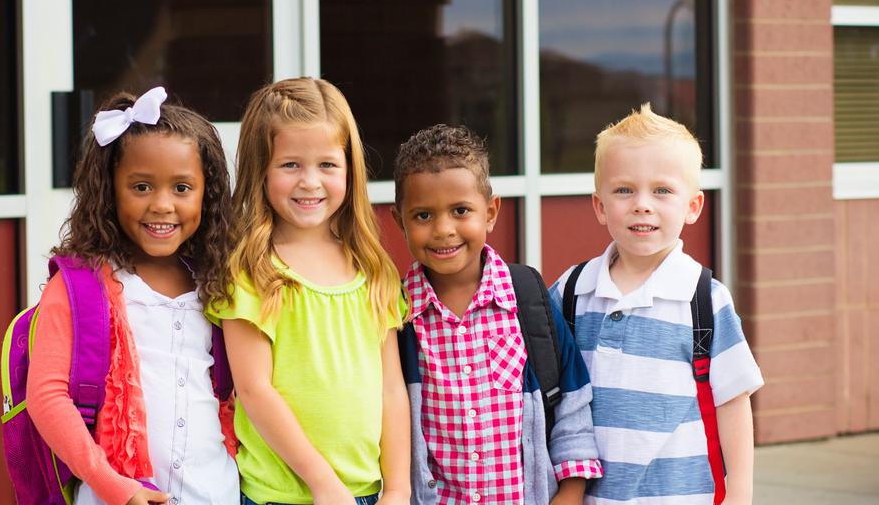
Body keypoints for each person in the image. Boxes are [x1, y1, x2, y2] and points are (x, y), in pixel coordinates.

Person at [27, 87, 240, 505]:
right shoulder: (79, 286)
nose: (162, 205)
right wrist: (114, 487)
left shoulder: (218, 282)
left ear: (207, 193)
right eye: (141, 187)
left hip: (215, 492)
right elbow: (47, 397)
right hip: (117, 495)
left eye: (182, 188)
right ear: (110, 190)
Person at [549, 103, 764, 504]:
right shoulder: (572, 291)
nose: (642, 204)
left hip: (681, 495)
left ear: (693, 206)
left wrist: (740, 494)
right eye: (624, 189)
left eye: (662, 190)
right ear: (599, 205)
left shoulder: (704, 299)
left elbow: (733, 403)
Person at [213, 77, 410, 505]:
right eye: (290, 165)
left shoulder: (372, 268)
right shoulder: (251, 270)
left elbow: (392, 388)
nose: (310, 182)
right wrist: (322, 483)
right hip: (283, 496)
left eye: (326, 165)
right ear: (259, 169)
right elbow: (254, 390)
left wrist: (398, 487)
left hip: (369, 495)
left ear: (348, 169)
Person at [391, 125, 602, 505]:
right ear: (399, 221)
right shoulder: (396, 316)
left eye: (460, 211)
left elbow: (572, 408)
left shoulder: (527, 299)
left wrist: (569, 493)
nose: (443, 230)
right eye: (423, 215)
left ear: (490, 212)